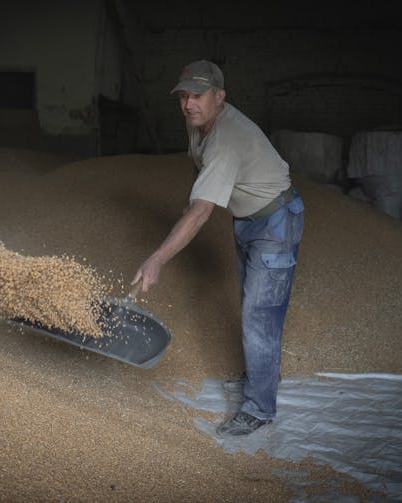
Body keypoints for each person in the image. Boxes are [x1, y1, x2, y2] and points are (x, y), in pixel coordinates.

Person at [131, 60, 304, 436]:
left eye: (199, 96)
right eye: (185, 96)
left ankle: (259, 408)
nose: (189, 104)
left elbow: (202, 213)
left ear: (220, 97)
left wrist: (158, 258)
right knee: (252, 305)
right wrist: (191, 201)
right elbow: (199, 165)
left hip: (275, 222)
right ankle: (260, 375)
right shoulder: (200, 123)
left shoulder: (227, 139)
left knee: (260, 315)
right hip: (249, 219)